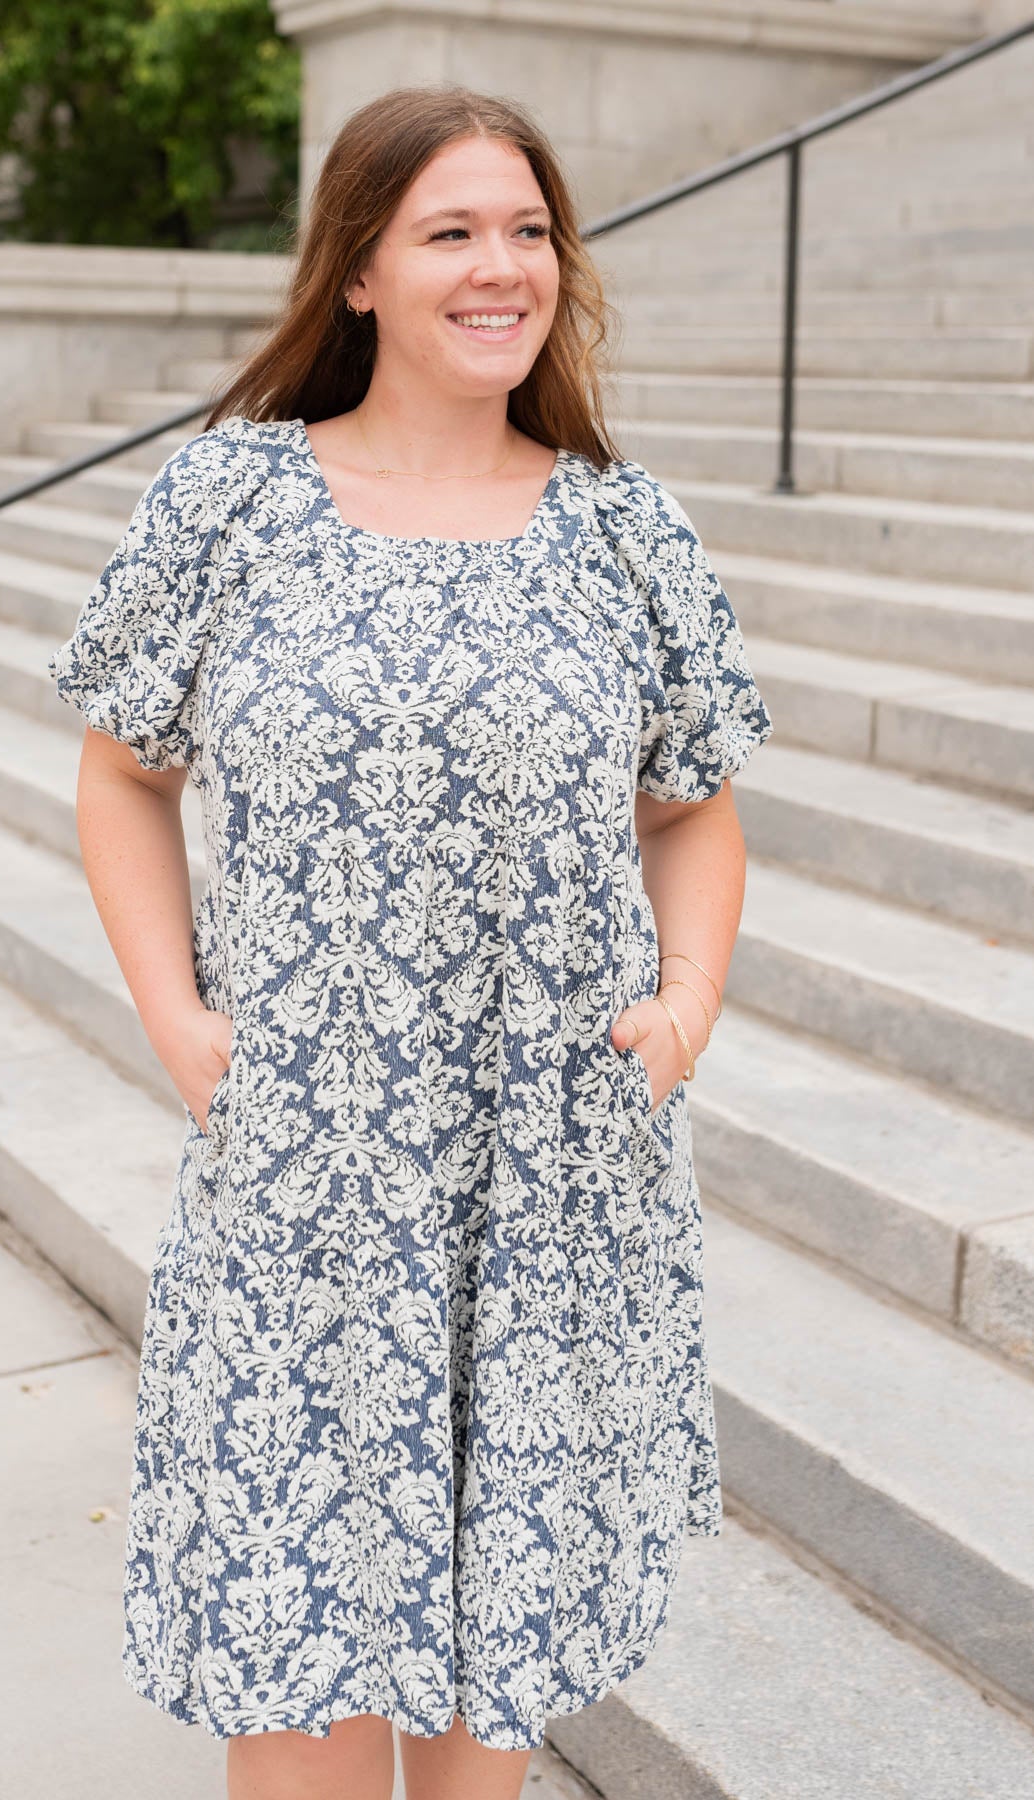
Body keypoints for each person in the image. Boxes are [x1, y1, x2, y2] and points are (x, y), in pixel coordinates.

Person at [48, 83, 774, 1800]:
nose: (499, 267)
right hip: (305, 1177)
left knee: (481, 1700)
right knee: (297, 1683)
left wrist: (684, 1009)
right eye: (451, 230)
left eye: (527, 230)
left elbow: (694, 806)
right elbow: (119, 770)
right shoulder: (231, 501)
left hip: (545, 1186)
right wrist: (184, 1026)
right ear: (357, 272)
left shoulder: (618, 526)